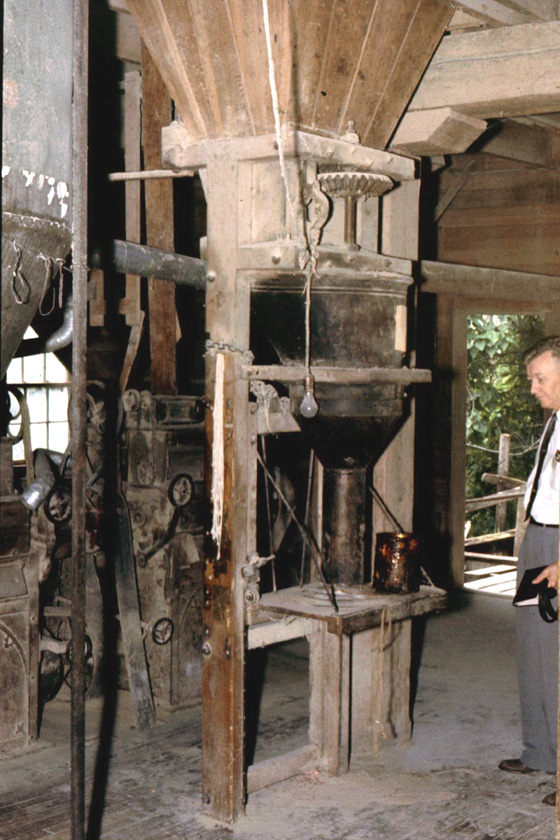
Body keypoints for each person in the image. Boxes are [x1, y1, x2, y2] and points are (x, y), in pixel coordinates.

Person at [498, 336, 560, 806]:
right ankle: (540, 752)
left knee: (556, 659)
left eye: (540, 378)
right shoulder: (555, 420)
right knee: (532, 650)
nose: (533, 388)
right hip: (537, 539)